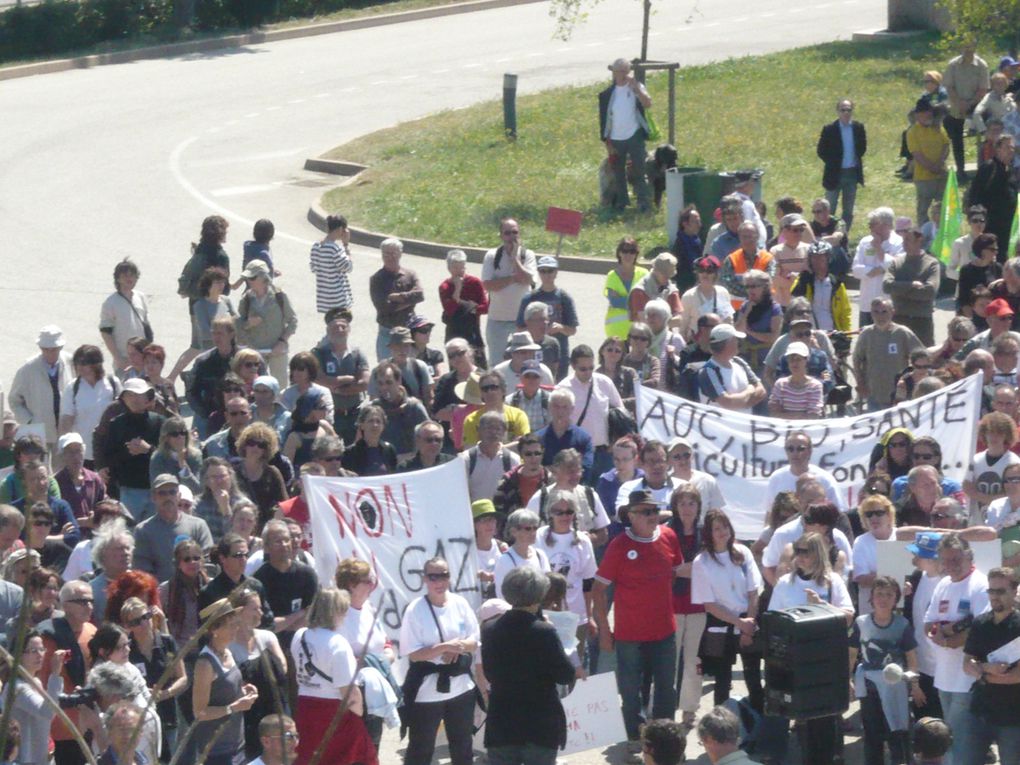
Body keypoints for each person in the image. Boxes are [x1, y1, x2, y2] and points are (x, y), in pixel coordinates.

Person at [593, 489, 681, 747]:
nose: (652, 516)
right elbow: (599, 590)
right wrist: (604, 630)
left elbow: (673, 573)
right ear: (630, 516)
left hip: (665, 630)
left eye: (654, 510)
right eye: (645, 512)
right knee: (630, 690)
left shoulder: (669, 536)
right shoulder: (619, 546)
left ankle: (665, 739)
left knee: (666, 687)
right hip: (629, 634)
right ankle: (633, 736)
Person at [768, 532, 853, 764]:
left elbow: (848, 616)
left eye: (805, 551)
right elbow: (772, 621)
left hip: (826, 663)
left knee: (827, 720)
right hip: (796, 664)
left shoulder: (833, 581)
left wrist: (822, 606)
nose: (800, 556)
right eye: (798, 551)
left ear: (818, 553)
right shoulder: (786, 583)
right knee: (802, 723)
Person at [482, 566, 576, 765]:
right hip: (539, 723)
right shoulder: (544, 632)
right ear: (539, 595)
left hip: (502, 721)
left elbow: (489, 673)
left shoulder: (490, 629)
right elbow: (566, 674)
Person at [399, 556, 480, 765]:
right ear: (425, 579)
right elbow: (413, 654)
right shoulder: (415, 609)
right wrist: (443, 648)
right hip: (427, 692)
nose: (439, 582)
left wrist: (459, 646)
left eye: (443, 575)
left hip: (461, 688)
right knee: (421, 749)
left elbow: (475, 640)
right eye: (433, 577)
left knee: (463, 747)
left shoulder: (460, 603)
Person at [924, 534, 991, 765]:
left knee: (962, 741)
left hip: (967, 679)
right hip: (944, 677)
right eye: (946, 560)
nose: (951, 565)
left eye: (956, 559)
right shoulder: (943, 584)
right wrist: (940, 633)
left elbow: (981, 628)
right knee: (949, 738)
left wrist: (951, 638)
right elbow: (928, 623)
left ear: (969, 556)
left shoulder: (980, 585)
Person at [290, 587, 376, 765]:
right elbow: (349, 691)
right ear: (335, 612)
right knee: (354, 757)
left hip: (305, 708)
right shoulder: (338, 643)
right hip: (334, 711)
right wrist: (359, 714)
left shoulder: (300, 635)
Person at [692, 508, 763, 711]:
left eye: (724, 526)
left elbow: (753, 592)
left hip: (748, 622)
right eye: (716, 528)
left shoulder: (743, 553)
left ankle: (758, 725)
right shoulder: (702, 562)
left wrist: (748, 624)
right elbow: (709, 604)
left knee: (753, 678)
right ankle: (719, 727)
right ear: (708, 533)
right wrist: (738, 623)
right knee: (722, 682)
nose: (722, 531)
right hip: (720, 625)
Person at [849, 575, 921, 765]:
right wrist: (847, 680)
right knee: (872, 734)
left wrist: (915, 686)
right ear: (871, 598)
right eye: (879, 594)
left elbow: (911, 658)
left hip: (895, 687)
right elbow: (852, 653)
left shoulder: (902, 624)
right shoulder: (861, 623)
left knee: (898, 730)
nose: (883, 599)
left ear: (896, 599)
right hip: (869, 687)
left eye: (889, 595)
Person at [961, 567, 1020, 765]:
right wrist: (987, 668)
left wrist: (982, 673)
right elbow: (967, 664)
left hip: (1013, 716)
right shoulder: (980, 623)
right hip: (980, 711)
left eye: (1000, 591)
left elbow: (1017, 676)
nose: (994, 596)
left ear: (1014, 591)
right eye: (991, 591)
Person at [191, 598, 260, 765]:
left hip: (237, 744)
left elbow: (226, 690)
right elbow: (199, 713)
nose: (236, 628)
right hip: (216, 752)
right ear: (215, 630)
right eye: (231, 625)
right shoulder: (205, 664)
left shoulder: (228, 652)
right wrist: (234, 707)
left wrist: (243, 691)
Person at [38, 579, 96, 765]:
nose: (88, 606)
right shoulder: (49, 636)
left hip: (90, 723)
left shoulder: (92, 631)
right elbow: (41, 679)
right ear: (64, 605)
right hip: (61, 728)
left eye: (90, 601)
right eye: (81, 601)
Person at [121, 596, 187, 760]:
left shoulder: (166, 643)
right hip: (140, 721)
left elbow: (183, 678)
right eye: (136, 622)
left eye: (145, 617)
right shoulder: (127, 650)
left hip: (168, 714)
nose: (143, 624)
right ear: (128, 627)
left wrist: (167, 693)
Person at [534, 490, 597, 660]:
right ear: (550, 513)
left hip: (575, 614)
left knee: (575, 665)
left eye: (569, 511)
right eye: (559, 512)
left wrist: (589, 616)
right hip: (545, 613)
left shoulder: (583, 540)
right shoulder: (538, 536)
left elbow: (588, 582)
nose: (564, 516)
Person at [103, 378, 165, 519]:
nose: (134, 399)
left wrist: (148, 449)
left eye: (138, 394)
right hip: (129, 489)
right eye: (130, 395)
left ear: (147, 398)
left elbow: (168, 455)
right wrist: (128, 451)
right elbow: (109, 456)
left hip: (156, 487)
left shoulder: (159, 422)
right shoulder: (116, 424)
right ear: (123, 399)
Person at [134, 473, 213, 583]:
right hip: (161, 595)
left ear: (179, 495)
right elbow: (143, 571)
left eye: (172, 492)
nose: (168, 497)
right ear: (153, 497)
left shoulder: (198, 525)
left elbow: (208, 562)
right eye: (162, 493)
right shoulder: (143, 530)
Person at [3, 630, 66, 765]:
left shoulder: (35, 682)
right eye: (32, 650)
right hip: (25, 760)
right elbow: (47, 712)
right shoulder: (17, 688)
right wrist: (55, 675)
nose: (40, 655)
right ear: (18, 655)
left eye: (41, 649)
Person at [10, 325, 74, 458]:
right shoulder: (27, 369)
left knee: (61, 471)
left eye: (54, 349)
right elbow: (14, 400)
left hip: (64, 429)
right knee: (39, 469)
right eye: (46, 349)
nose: (50, 353)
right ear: (40, 348)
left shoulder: (70, 362)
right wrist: (29, 422)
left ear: (61, 347)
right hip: (38, 432)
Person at [556, 347, 622, 475]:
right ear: (573, 366)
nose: (588, 372)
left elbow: (620, 412)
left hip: (605, 453)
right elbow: (557, 423)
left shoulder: (604, 382)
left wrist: (615, 442)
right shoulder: (562, 389)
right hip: (578, 454)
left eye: (591, 368)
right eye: (583, 369)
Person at [599, 57, 653, 212]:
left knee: (640, 170)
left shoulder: (636, 88)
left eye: (625, 71)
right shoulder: (608, 94)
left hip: (634, 135)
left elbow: (648, 103)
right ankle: (622, 202)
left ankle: (643, 203)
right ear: (614, 73)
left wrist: (636, 87)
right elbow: (603, 120)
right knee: (618, 173)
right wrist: (606, 141)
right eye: (619, 71)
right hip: (615, 138)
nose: (623, 74)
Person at [853, 296, 924, 411]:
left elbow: (921, 356)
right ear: (871, 313)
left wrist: (914, 379)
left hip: (899, 395)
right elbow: (857, 359)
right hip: (874, 394)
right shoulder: (866, 334)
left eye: (884, 312)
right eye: (876, 312)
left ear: (892, 312)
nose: (880, 316)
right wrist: (860, 382)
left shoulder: (902, 333)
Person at [235, 259, 297, 386]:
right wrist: (248, 324)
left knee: (281, 387)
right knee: (256, 386)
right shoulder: (246, 299)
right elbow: (238, 326)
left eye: (252, 277)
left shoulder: (279, 296)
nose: (249, 281)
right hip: (255, 352)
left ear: (263, 277)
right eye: (247, 278)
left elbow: (292, 321)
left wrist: (282, 341)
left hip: (277, 350)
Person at [515, 256, 578, 378]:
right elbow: (519, 328)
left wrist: (561, 328)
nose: (547, 274)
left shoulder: (564, 298)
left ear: (556, 273)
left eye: (550, 271)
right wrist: (538, 329)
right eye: (543, 271)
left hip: (558, 355)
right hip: (532, 353)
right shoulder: (529, 298)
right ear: (538, 273)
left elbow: (572, 329)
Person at [59, 345, 120, 463]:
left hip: (110, 449)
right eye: (77, 363)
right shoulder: (73, 388)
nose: (79, 367)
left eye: (84, 363)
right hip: (83, 453)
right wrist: (64, 447)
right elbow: (66, 421)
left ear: (97, 364)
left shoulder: (113, 383)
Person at [883, 225, 941, 346]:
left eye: (908, 240)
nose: (904, 244)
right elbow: (887, 286)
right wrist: (911, 285)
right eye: (903, 240)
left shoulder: (931, 264)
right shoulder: (896, 262)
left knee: (924, 358)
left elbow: (929, 292)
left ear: (919, 241)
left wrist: (899, 290)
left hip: (922, 321)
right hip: (899, 319)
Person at [369, 238, 424, 362]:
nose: (390, 257)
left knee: (411, 371)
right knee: (386, 370)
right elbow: (384, 308)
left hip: (409, 331)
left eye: (393, 253)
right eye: (386, 254)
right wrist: (410, 301)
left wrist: (396, 297)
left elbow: (420, 295)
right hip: (387, 332)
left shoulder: (410, 274)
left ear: (400, 253)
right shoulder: (376, 279)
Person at [816, 99, 867, 229]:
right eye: (843, 110)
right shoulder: (829, 129)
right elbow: (821, 150)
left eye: (848, 110)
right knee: (829, 207)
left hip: (852, 173)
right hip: (834, 174)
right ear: (838, 112)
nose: (846, 113)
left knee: (848, 209)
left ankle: (843, 235)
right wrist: (833, 162)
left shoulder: (858, 128)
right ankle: (827, 232)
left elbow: (862, 148)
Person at [945, 43, 991, 177]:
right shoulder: (953, 64)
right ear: (961, 48)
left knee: (988, 127)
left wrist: (970, 104)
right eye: (965, 47)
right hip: (956, 103)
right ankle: (960, 169)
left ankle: (986, 165)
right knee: (955, 133)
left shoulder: (982, 65)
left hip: (976, 104)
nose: (967, 50)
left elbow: (983, 89)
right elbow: (949, 87)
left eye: (970, 47)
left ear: (975, 48)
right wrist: (959, 103)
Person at [697, 324, 766, 412]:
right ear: (728, 343)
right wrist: (749, 390)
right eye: (735, 340)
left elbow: (761, 391)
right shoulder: (708, 371)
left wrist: (742, 403)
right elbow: (727, 403)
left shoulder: (739, 362)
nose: (738, 342)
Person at [969, 135, 1019, 258]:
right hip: (991, 225)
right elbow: (975, 194)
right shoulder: (989, 167)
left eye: (1012, 148)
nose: (1011, 151)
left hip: (1007, 227)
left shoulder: (1010, 171)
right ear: (998, 149)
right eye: (1007, 147)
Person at [907, 99, 951, 225]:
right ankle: (923, 237)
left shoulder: (938, 128)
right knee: (923, 210)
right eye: (925, 113)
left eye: (930, 112)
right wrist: (932, 167)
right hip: (923, 178)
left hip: (941, 175)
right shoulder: (912, 132)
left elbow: (946, 145)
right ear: (917, 115)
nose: (929, 115)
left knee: (943, 207)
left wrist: (940, 162)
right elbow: (917, 154)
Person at [439, 249, 488, 360]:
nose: (460, 271)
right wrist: (457, 289)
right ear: (449, 268)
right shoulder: (445, 287)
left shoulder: (475, 282)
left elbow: (485, 307)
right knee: (457, 364)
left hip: (472, 330)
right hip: (453, 330)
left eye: (462, 267)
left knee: (479, 365)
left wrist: (471, 309)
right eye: (455, 268)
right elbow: (449, 309)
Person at [159, 538, 209, 648]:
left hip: (207, 649)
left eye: (196, 558)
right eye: (187, 559)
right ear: (178, 564)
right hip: (179, 652)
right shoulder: (166, 589)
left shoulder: (210, 586)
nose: (192, 562)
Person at [461, 370, 529, 448]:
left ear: (503, 390)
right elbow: (469, 449)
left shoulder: (518, 416)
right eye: (485, 389)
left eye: (494, 387)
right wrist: (509, 446)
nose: (489, 392)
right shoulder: (471, 420)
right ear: (481, 394)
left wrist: (490, 449)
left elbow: (524, 445)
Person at [733, 269, 783, 370]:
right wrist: (746, 312)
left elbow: (773, 337)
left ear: (764, 287)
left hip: (767, 360)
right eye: (747, 287)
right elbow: (738, 330)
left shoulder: (774, 308)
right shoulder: (745, 306)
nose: (750, 290)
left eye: (754, 286)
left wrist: (750, 332)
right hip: (746, 360)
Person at [493, 509, 550, 597]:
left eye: (535, 528)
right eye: (528, 529)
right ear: (514, 531)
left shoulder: (540, 555)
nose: (533, 532)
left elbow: (548, 585)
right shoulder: (505, 560)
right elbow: (502, 594)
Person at [678, 256, 734, 341]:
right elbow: (682, 327)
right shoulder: (688, 296)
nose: (705, 274)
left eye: (709, 271)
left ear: (715, 274)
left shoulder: (723, 292)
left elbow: (729, 320)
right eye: (701, 271)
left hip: (720, 342)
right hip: (697, 343)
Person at [604, 236, 649, 339]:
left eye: (632, 251)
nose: (628, 255)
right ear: (619, 253)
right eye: (625, 251)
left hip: (639, 327)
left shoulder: (644, 274)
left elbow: (648, 299)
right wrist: (637, 301)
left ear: (636, 254)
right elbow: (615, 302)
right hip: (616, 327)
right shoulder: (612, 275)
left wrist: (623, 299)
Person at [309, 213, 353, 315]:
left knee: (331, 327)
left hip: (324, 299)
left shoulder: (316, 246)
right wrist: (346, 245)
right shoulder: (334, 248)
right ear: (341, 229)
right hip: (339, 299)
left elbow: (313, 268)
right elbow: (348, 267)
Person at [768, 342, 824, 419]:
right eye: (791, 359)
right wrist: (800, 415)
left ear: (806, 360)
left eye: (798, 359)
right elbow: (774, 413)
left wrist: (785, 416)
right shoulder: (780, 384)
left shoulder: (815, 386)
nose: (794, 363)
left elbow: (813, 416)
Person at [342, 405, 397, 476]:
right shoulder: (350, 453)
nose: (375, 425)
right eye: (371, 421)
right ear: (362, 425)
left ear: (383, 426)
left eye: (378, 421)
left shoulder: (389, 450)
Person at [629, 252, 683, 320]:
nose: (667, 277)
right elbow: (643, 320)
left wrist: (662, 325)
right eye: (664, 274)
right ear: (655, 270)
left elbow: (679, 319)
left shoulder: (671, 290)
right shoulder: (639, 291)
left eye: (670, 275)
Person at [623, 321, 661, 388]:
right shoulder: (623, 360)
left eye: (643, 339)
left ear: (648, 342)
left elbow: (655, 381)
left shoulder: (653, 361)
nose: (639, 341)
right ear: (629, 339)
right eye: (635, 338)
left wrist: (636, 385)